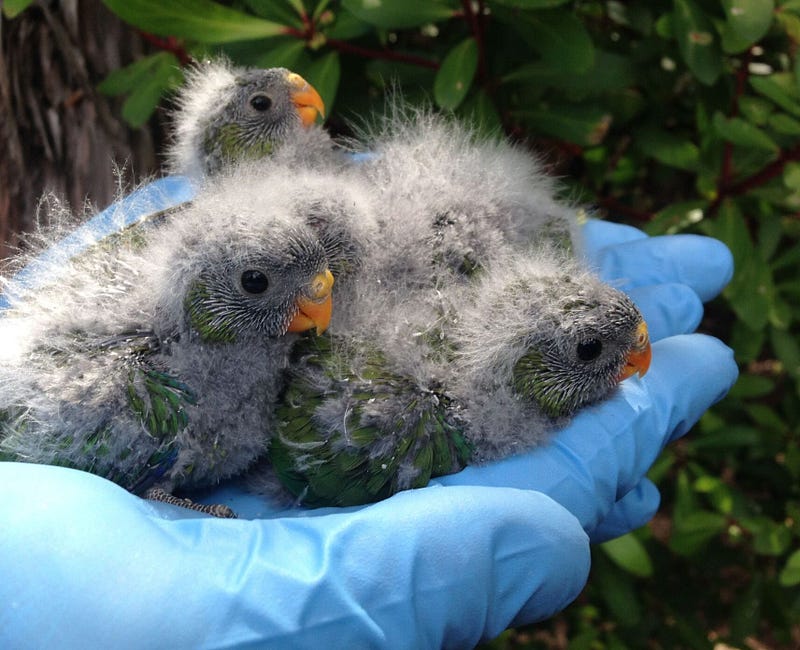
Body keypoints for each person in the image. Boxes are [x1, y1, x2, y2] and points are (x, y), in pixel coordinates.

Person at [0, 178, 738, 649]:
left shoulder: (280, 356)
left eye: (323, 272)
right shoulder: (140, 399)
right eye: (263, 284)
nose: (325, 296)